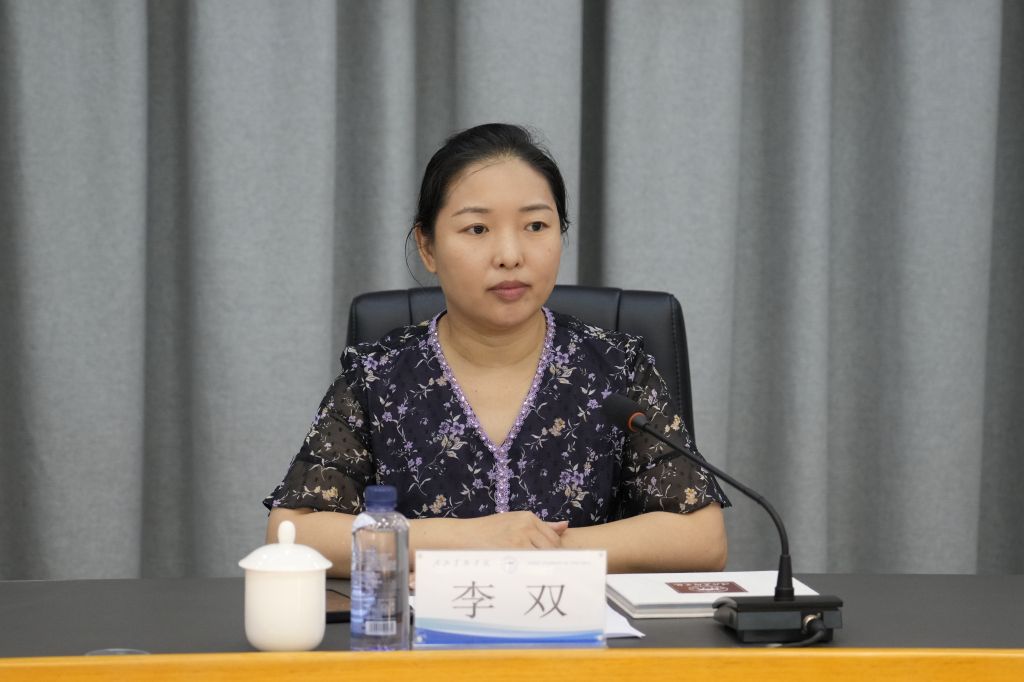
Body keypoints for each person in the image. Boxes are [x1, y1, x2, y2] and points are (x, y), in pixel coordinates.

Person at [264, 123, 729, 577]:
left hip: (580, 624)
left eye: (535, 225)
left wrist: (540, 549)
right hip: (425, 627)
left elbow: (702, 537)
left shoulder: (616, 367)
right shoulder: (377, 375)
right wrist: (470, 540)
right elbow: (293, 532)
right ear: (427, 247)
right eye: (477, 229)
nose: (510, 254)